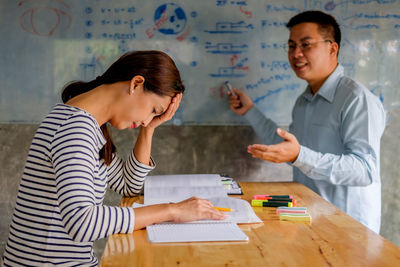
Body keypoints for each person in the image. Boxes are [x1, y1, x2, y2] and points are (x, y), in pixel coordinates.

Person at [3, 50, 226, 266]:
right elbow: (82, 222)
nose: (147, 119)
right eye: (153, 109)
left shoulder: (88, 124)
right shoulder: (74, 129)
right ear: (136, 84)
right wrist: (172, 211)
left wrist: (148, 130)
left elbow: (127, 185)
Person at [228, 11, 385, 233]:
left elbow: (364, 170)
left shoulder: (356, 99)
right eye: (291, 46)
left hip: (350, 228)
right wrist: (250, 111)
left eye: (306, 44)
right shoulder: (303, 101)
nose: (296, 54)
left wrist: (299, 156)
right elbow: (287, 146)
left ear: (332, 48)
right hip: (311, 220)